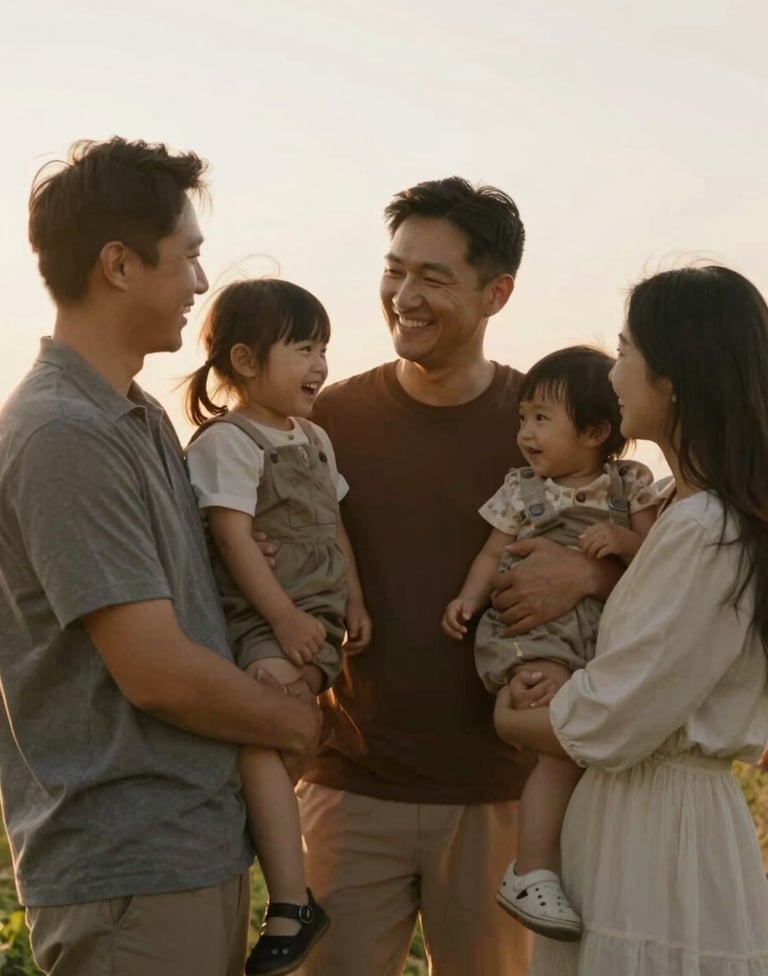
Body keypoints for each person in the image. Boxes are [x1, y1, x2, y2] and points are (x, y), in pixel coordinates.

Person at [0, 137, 321, 976]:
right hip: (128, 871)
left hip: (182, 857)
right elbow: (156, 669)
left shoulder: (135, 417)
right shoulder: (66, 434)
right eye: (188, 258)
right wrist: (293, 721)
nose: (201, 286)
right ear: (118, 265)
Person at [295, 177, 624, 976]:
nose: (404, 295)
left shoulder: (551, 425)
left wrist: (589, 578)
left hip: (504, 796)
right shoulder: (329, 421)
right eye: (395, 269)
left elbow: (657, 562)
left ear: (498, 291)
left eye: (433, 278)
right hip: (350, 784)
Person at [494, 266, 768, 975]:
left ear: (672, 377)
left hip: (662, 836)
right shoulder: (677, 506)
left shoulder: (708, 526)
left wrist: (510, 718)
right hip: (625, 816)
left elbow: (618, 713)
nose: (613, 374)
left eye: (624, 351)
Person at [184, 278, 371, 975]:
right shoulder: (227, 444)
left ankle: (288, 895)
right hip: (266, 623)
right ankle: (291, 900)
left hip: (312, 623)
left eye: (323, 347)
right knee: (265, 730)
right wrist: (286, 617)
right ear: (245, 361)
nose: (320, 364)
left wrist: (353, 600)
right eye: (302, 348)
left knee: (267, 740)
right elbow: (234, 542)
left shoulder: (316, 439)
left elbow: (334, 527)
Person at [442, 345, 658, 941]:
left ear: (593, 430)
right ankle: (532, 867)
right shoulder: (519, 490)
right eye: (522, 419)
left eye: (541, 419)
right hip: (531, 634)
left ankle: (566, 863)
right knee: (558, 740)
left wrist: (618, 541)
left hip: (599, 640)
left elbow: (656, 561)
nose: (525, 434)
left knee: (579, 747)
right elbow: (491, 555)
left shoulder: (630, 486)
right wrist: (467, 597)